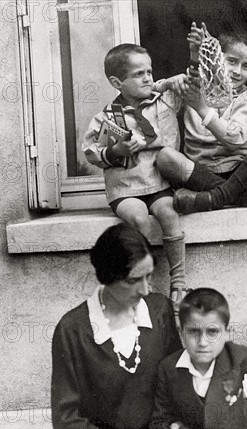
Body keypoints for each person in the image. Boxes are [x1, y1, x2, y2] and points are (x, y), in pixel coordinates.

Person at [51, 223, 182, 429]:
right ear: (109, 277)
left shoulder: (158, 310)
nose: (145, 289)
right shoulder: (72, 330)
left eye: (149, 276)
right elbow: (66, 419)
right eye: (134, 280)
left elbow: (177, 381)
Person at [82, 43, 188, 302]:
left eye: (149, 72)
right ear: (117, 82)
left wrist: (165, 83)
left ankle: (179, 280)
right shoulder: (107, 118)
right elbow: (91, 152)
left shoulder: (163, 102)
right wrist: (117, 150)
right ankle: (145, 281)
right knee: (139, 219)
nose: (147, 78)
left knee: (169, 212)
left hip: (158, 184)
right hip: (125, 188)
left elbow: (188, 82)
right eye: (139, 74)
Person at [155, 23, 247, 213]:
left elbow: (234, 141)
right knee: (165, 158)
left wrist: (201, 108)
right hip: (200, 174)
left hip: (243, 170)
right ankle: (244, 197)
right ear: (217, 58)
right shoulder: (194, 86)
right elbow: (149, 97)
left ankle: (214, 198)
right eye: (231, 61)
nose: (237, 71)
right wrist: (167, 83)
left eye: (246, 66)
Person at [147, 288, 247, 429]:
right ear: (181, 332)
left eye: (212, 332)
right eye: (193, 331)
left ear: (226, 333)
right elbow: (159, 423)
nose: (202, 342)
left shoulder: (244, 362)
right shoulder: (169, 369)